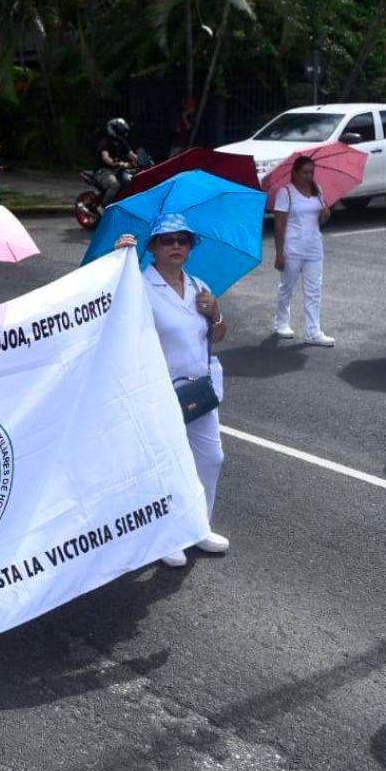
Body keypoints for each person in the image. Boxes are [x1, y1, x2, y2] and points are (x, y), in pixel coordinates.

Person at [115, 215, 230, 567]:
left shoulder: (199, 286)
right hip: (159, 390)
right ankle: (165, 535)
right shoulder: (137, 286)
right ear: (152, 247)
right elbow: (115, 324)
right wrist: (117, 263)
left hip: (201, 388)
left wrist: (216, 315)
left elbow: (218, 336)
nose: (176, 245)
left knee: (211, 458)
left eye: (183, 239)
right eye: (167, 240)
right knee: (164, 464)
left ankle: (197, 526)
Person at [272, 155, 334, 346]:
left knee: (314, 290)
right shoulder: (286, 193)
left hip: (314, 247)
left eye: (311, 172)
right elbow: (279, 224)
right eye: (305, 172)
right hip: (293, 248)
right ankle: (281, 322)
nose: (309, 176)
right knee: (287, 287)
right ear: (295, 173)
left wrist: (325, 215)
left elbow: (320, 221)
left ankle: (313, 331)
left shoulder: (318, 191)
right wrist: (279, 253)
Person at [93, 118, 138, 204]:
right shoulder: (106, 142)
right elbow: (106, 158)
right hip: (103, 171)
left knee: (132, 180)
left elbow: (132, 155)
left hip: (117, 170)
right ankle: (104, 208)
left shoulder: (122, 142)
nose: (123, 132)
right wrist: (118, 163)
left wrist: (144, 161)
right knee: (114, 185)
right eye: (121, 130)